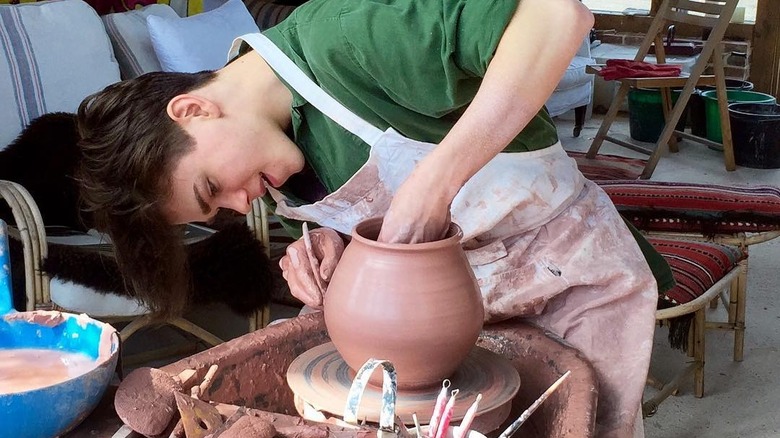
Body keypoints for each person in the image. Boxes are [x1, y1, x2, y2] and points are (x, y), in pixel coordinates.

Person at [76, 0, 671, 435]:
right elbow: (357, 216)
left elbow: (555, 16)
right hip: (443, 318)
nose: (240, 206)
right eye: (217, 209)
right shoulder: (273, 155)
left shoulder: (344, 37)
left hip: (566, 270)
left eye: (211, 188)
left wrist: (435, 179)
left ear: (194, 109)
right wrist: (328, 246)